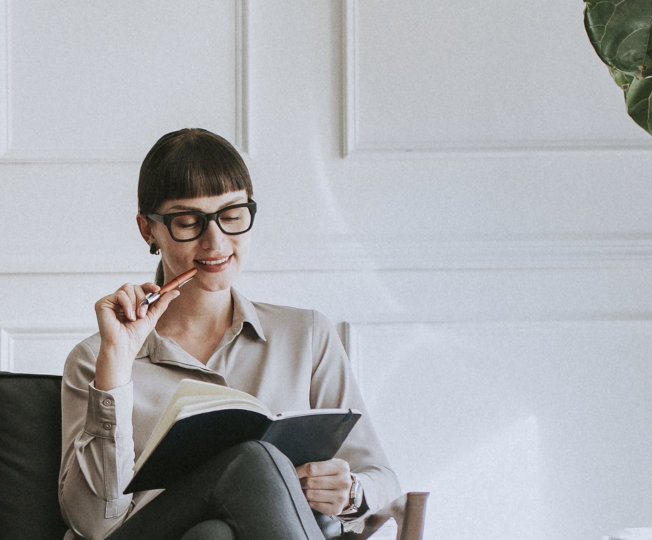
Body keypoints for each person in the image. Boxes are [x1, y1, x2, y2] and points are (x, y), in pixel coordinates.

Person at [58, 128, 401, 540]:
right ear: (148, 230)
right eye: (188, 222)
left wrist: (348, 493)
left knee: (214, 536)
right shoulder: (96, 358)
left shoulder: (306, 335)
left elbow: (381, 478)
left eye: (232, 216)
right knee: (252, 460)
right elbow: (93, 525)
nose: (216, 241)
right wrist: (116, 364)